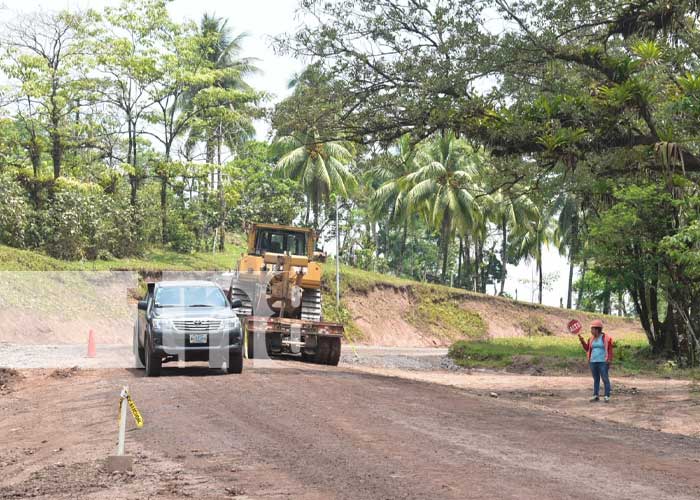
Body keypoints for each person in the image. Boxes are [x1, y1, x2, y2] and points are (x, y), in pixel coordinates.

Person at [578, 319, 613, 402]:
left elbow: (610, 349)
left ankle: (607, 395)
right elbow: (587, 348)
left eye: (592, 329)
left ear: (597, 329)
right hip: (593, 361)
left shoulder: (606, 338)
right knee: (596, 379)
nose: (591, 331)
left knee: (605, 378)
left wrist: (609, 359)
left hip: (603, 362)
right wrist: (582, 341)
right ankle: (595, 395)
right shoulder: (591, 339)